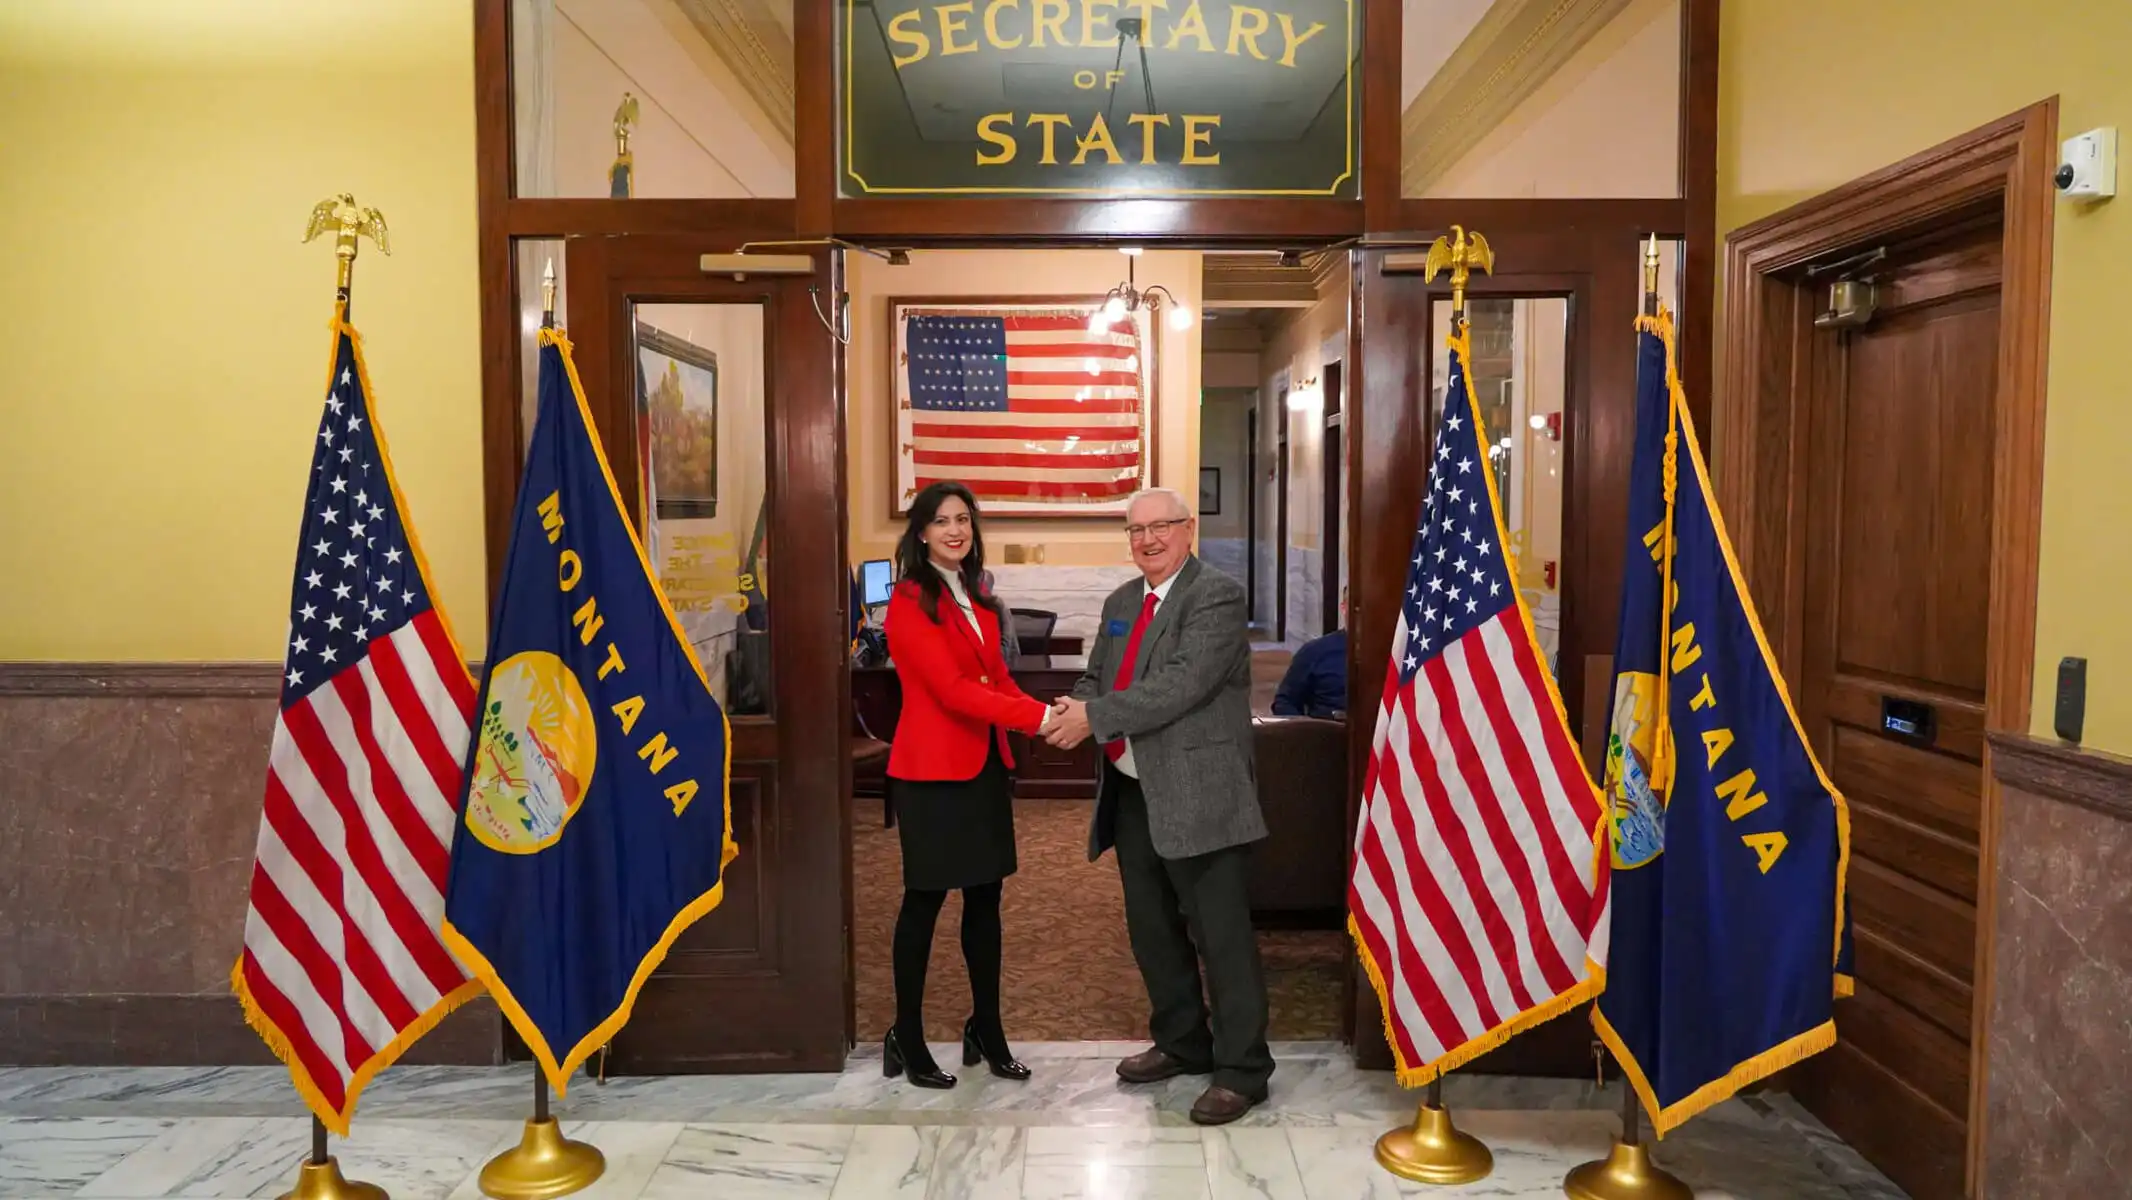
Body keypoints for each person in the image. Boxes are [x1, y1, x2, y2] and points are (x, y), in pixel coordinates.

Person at [1043, 487, 1273, 1125]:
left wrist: (1094, 717)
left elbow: (1180, 686)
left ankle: (1243, 1070)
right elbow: (1097, 675)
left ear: (1187, 529)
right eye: (1136, 530)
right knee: (1152, 930)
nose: (1148, 539)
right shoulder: (1122, 601)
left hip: (1200, 792)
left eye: (1161, 526)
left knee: (1220, 936)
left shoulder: (1216, 597)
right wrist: (1073, 706)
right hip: (1131, 790)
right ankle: (1183, 1043)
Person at [880, 481, 1050, 1088]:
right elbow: (952, 692)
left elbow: (997, 679)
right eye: (942, 521)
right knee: (923, 903)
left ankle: (987, 1028)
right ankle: (905, 1033)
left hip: (982, 770)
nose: (955, 530)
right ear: (921, 532)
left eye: (963, 520)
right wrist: (1039, 719)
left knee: (985, 902)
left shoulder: (978, 598)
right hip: (931, 774)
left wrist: (1044, 714)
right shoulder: (908, 601)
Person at [1271, 586, 1348, 719]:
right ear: (1343, 607)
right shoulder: (1315, 652)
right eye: (1356, 607)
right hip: (1325, 728)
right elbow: (1284, 703)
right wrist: (1305, 727)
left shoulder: (1387, 655)